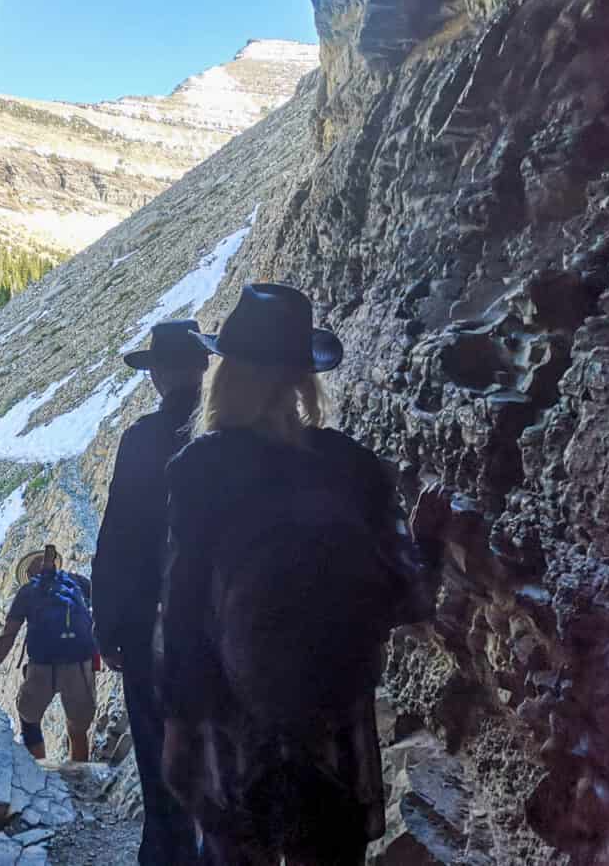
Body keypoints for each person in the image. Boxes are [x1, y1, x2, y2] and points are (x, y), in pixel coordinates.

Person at [157, 284, 440, 866]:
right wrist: (431, 538)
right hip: (333, 730)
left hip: (233, 729)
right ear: (303, 378)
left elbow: (182, 612)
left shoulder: (200, 469)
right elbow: (406, 598)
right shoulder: (350, 465)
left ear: (227, 374)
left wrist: (178, 723)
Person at [92, 320, 209, 866]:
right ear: (203, 366)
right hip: (223, 626)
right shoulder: (228, 432)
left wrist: (107, 624)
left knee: (158, 745)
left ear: (160, 375)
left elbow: (120, 535)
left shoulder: (142, 439)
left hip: (148, 626)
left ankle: (166, 851)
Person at [0, 544, 97, 761]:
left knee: (29, 719)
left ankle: (38, 772)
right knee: (77, 728)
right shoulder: (77, 582)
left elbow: (7, 637)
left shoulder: (27, 592)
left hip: (41, 668)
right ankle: (78, 779)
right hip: (80, 665)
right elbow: (103, 605)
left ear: (29, 574)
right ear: (56, 565)